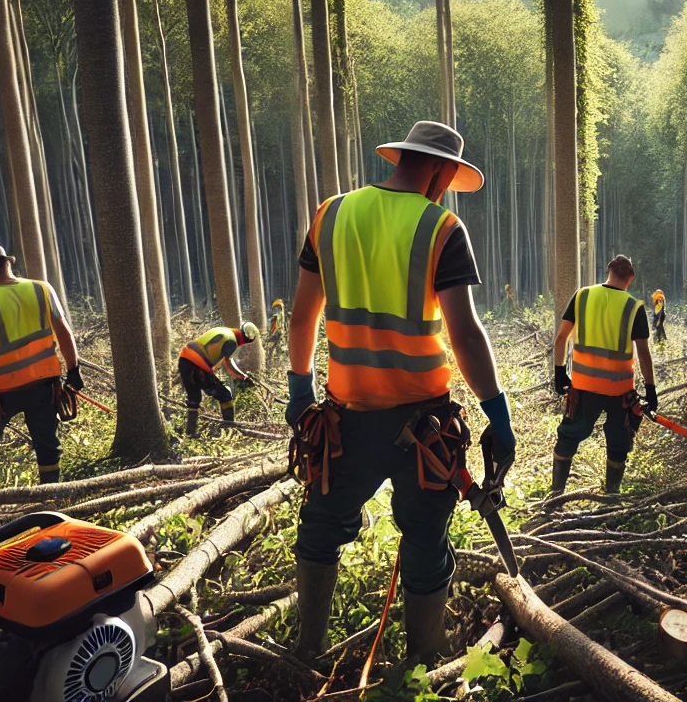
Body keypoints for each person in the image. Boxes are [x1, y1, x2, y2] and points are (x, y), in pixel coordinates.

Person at [284, 121, 514, 667]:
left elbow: (301, 315)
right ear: (438, 170)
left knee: (319, 528)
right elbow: (464, 333)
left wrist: (299, 386)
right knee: (425, 541)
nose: (447, 188)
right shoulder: (441, 227)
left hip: (345, 421)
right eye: (450, 177)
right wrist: (497, 414)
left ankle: (307, 651)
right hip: (425, 430)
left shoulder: (331, 214)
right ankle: (423, 664)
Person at [0, 245, 82, 490]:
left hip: (5, 392)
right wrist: (74, 371)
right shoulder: (42, 289)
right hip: (44, 386)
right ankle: (49, 498)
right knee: (47, 445)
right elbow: (65, 334)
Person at [550, 256, 658, 497]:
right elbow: (643, 352)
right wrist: (650, 389)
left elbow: (561, 338)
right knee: (619, 440)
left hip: (584, 385)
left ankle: (555, 495)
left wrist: (559, 372)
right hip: (619, 391)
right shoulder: (634, 306)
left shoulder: (582, 296)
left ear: (609, 271)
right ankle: (611, 495)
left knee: (569, 434)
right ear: (630, 278)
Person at [178, 323, 261, 436]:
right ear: (247, 340)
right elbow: (228, 363)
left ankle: (190, 434)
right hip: (199, 365)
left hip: (184, 359)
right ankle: (229, 428)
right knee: (225, 395)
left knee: (194, 399)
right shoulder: (231, 342)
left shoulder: (223, 330)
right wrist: (243, 377)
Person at [264, 298, 286, 364]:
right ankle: (274, 358)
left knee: (269, 342)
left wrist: (274, 333)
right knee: (274, 346)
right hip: (279, 333)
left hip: (278, 333)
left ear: (279, 308)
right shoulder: (279, 314)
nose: (276, 309)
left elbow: (279, 324)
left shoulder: (280, 314)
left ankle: (275, 359)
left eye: (277, 308)